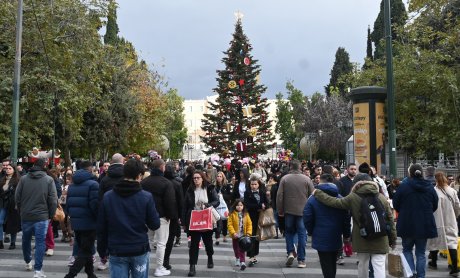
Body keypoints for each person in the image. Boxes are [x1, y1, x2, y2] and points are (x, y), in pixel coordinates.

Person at [313, 173, 396, 278]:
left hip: (362, 237)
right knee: (379, 265)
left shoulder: (353, 197)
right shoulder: (381, 197)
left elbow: (335, 202)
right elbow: (390, 219)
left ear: (356, 184)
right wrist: (392, 239)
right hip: (381, 236)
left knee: (363, 264)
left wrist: (318, 193)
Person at [98, 159, 160, 278]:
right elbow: (154, 224)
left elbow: (101, 226)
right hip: (138, 247)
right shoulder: (146, 197)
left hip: (116, 248)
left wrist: (102, 251)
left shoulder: (108, 196)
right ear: (139, 175)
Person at [392, 164, 438, 278]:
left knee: (407, 249)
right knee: (421, 252)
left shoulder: (403, 186)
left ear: (410, 173)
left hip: (407, 222)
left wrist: (403, 211)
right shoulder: (429, 187)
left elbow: (395, 203)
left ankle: (410, 273)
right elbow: (435, 204)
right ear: (422, 173)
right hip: (424, 223)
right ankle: (421, 276)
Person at [15, 158, 57, 278]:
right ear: (45, 166)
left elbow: (17, 197)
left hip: (26, 215)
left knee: (26, 239)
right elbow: (53, 200)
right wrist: (51, 215)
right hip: (42, 216)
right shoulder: (49, 180)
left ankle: (28, 260)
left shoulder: (23, 179)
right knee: (40, 243)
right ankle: (38, 270)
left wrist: (21, 211)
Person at [304, 174, 351, 278]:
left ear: (320, 182)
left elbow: (307, 216)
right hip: (336, 235)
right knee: (333, 261)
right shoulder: (340, 198)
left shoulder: (313, 199)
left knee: (325, 262)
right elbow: (346, 218)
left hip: (320, 235)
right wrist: (346, 234)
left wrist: (311, 231)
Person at [140, 159, 176, 277]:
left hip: (146, 216)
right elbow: (170, 202)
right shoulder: (166, 183)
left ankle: (143, 265)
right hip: (161, 216)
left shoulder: (144, 182)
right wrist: (170, 216)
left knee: (147, 241)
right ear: (162, 167)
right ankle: (159, 268)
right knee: (161, 243)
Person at [64, 160, 99, 278]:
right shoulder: (93, 185)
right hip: (89, 223)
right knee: (85, 251)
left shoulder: (72, 185)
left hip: (76, 222)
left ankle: (91, 273)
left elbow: (68, 205)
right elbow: (95, 205)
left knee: (86, 249)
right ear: (90, 169)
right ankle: (70, 275)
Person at [277, 160, 314, 268]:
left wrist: (280, 209)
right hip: (303, 211)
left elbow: (280, 196)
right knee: (302, 234)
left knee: (289, 232)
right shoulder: (307, 179)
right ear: (300, 168)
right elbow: (312, 195)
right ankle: (301, 260)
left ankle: (290, 252)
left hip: (288, 211)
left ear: (290, 167)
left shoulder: (285, 179)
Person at [183, 171, 219, 277]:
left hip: (206, 218)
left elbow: (216, 201)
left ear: (202, 178)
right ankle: (192, 266)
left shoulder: (209, 188)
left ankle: (210, 257)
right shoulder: (190, 190)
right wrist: (184, 222)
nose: (196, 180)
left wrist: (208, 205)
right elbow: (185, 206)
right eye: (194, 178)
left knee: (208, 242)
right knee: (194, 244)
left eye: (198, 178)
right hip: (194, 219)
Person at [427, 172, 460, 277]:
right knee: (452, 243)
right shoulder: (452, 191)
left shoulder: (433, 191)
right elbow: (457, 206)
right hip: (450, 220)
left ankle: (433, 262)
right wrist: (454, 215)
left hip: (437, 220)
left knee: (435, 240)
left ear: (435, 180)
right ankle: (455, 268)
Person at [163, 161, 184, 271]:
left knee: (162, 239)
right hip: (174, 215)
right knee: (170, 238)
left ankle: (162, 259)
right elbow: (181, 201)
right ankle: (166, 259)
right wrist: (181, 216)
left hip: (162, 214)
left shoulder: (162, 182)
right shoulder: (177, 184)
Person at [244, 175, 268, 267]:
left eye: (255, 184)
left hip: (260, 216)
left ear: (258, 184)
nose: (253, 186)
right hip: (251, 216)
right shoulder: (247, 193)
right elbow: (248, 204)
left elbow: (267, 202)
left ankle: (254, 254)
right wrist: (259, 206)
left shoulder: (262, 192)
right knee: (251, 235)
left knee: (257, 236)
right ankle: (251, 256)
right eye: (252, 184)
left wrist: (264, 206)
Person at [227, 198, 252, 271]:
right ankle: (237, 258)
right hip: (235, 235)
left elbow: (249, 224)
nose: (239, 207)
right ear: (235, 206)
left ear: (243, 206)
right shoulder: (232, 214)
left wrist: (248, 233)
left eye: (241, 205)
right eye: (238, 205)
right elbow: (229, 224)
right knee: (236, 248)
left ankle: (242, 262)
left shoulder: (246, 214)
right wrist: (233, 232)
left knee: (242, 248)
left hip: (243, 235)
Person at [0, 164, 21, 249]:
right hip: (3, 204)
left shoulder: (18, 180)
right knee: (0, 222)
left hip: (13, 204)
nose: (7, 170)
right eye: (7, 169)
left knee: (13, 224)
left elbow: (19, 193)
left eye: (10, 168)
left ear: (14, 170)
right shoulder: (2, 179)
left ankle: (13, 243)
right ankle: (0, 241)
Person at [214, 171, 232, 245]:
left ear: (223, 177)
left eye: (220, 176)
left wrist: (222, 195)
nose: (219, 178)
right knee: (218, 222)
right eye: (217, 176)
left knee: (225, 222)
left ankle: (224, 236)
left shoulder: (227, 186)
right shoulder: (214, 186)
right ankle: (217, 238)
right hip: (217, 206)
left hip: (225, 207)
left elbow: (230, 196)